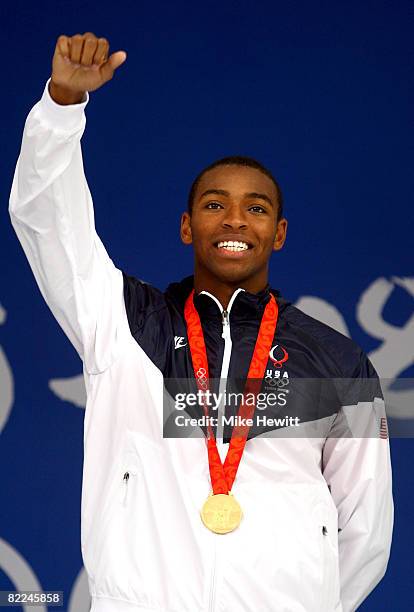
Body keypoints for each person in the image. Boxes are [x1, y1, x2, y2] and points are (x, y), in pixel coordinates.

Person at [9, 32, 393, 612]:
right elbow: (49, 224)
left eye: (256, 208)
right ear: (188, 226)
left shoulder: (338, 362)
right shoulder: (124, 323)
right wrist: (62, 108)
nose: (234, 219)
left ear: (278, 234)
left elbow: (367, 532)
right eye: (214, 204)